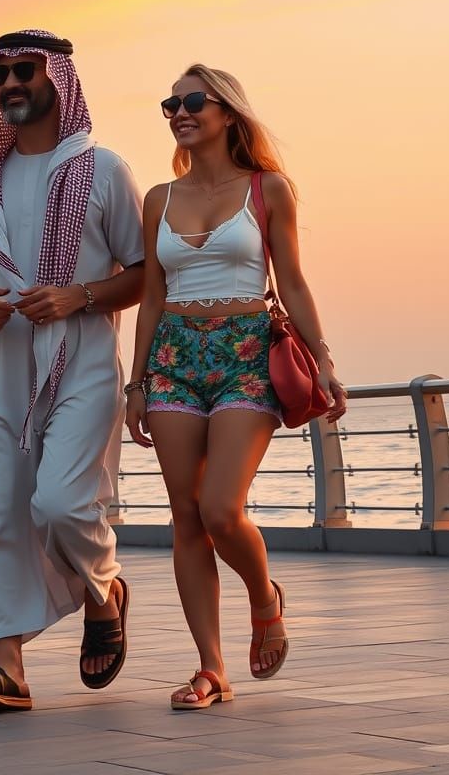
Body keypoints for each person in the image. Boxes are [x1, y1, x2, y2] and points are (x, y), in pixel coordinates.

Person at [124, 63, 348, 710]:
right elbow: (151, 296)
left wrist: (324, 359)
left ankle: (264, 597)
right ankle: (211, 669)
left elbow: (294, 281)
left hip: (246, 351)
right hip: (173, 355)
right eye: (170, 103)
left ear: (228, 112)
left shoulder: (268, 189)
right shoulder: (159, 199)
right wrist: (136, 383)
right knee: (186, 518)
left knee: (222, 509)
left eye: (194, 100)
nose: (179, 111)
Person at [0, 29, 144, 713]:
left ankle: (105, 588)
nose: (9, 86)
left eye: (23, 72)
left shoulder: (105, 172)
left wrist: (79, 295)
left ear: (58, 80)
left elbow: (145, 272)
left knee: (61, 505)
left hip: (83, 365)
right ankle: (8, 669)